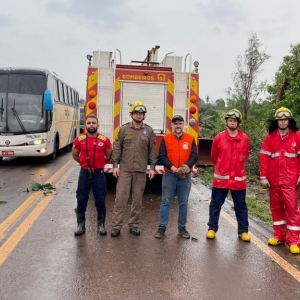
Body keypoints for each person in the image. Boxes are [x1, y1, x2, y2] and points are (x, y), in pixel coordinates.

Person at [110, 101, 157, 237]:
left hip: (141, 171)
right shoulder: (124, 129)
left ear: (144, 116)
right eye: (136, 113)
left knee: (137, 199)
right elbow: (117, 147)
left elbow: (152, 150)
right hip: (125, 169)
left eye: (141, 113)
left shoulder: (148, 131)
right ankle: (116, 226)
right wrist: (115, 166)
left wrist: (152, 168)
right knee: (121, 198)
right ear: (132, 114)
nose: (138, 115)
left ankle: (134, 225)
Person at [260, 106, 300, 254]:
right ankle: (279, 236)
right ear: (276, 121)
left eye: (285, 120)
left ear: (289, 121)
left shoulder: (297, 136)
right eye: (280, 120)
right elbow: (264, 157)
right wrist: (263, 177)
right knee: (276, 208)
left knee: (292, 210)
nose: (283, 122)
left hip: (290, 180)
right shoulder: (270, 137)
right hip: (274, 180)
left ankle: (294, 240)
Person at [206, 109, 251, 242]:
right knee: (215, 204)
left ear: (238, 122)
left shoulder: (245, 138)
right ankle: (212, 229)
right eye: (230, 120)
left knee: (241, 206)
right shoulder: (219, 137)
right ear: (227, 122)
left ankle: (243, 231)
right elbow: (214, 157)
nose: (232, 123)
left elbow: (245, 156)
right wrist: (222, 168)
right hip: (221, 179)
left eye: (234, 121)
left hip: (238, 180)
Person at [154, 115, 198, 239]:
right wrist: (173, 168)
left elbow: (194, 156)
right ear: (172, 125)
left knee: (183, 202)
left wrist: (185, 168)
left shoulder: (190, 138)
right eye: (175, 124)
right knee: (166, 202)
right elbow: (161, 156)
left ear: (183, 124)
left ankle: (182, 228)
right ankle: (162, 228)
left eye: (180, 123)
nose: (178, 126)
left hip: (185, 176)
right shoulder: (166, 139)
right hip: (169, 175)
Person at [72, 114, 112, 236]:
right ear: (85, 125)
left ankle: (101, 225)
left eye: (93, 123)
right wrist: (84, 164)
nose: (91, 125)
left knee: (100, 199)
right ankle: (81, 225)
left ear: (97, 125)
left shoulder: (105, 140)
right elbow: (75, 155)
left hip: (98, 174)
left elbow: (108, 155)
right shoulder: (79, 140)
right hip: (84, 173)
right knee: (81, 199)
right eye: (89, 123)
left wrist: (99, 164)